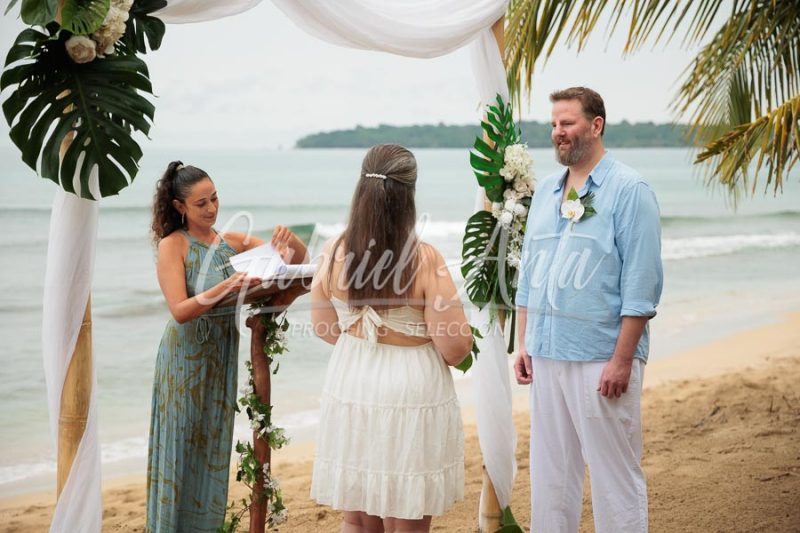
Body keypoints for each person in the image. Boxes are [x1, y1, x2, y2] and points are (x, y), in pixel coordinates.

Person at [514, 87, 663, 533]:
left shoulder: (630, 190)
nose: (558, 132)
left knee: (613, 474)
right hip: (546, 352)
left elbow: (641, 285)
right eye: (554, 124)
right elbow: (530, 274)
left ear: (595, 126)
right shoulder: (544, 192)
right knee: (551, 475)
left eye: (568, 123)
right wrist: (523, 344)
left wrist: (622, 359)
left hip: (600, 355)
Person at [310, 144, 472, 533]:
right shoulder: (424, 259)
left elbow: (324, 328)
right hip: (409, 390)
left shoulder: (333, 250)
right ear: (409, 195)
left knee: (359, 518)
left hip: (352, 381)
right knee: (408, 514)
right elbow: (455, 348)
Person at [146, 161, 306, 532]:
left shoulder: (230, 243)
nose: (212, 209)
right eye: (201, 203)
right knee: (180, 449)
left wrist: (290, 240)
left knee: (213, 450)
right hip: (183, 359)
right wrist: (226, 287)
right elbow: (180, 311)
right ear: (179, 206)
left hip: (220, 356)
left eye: (215, 199)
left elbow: (294, 262)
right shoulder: (172, 246)